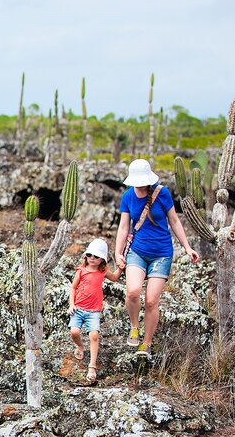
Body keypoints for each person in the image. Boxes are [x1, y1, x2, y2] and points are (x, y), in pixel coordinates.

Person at [113, 158, 200, 360]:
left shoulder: (162, 194)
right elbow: (124, 226)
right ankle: (135, 327)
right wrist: (118, 252)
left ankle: (147, 342)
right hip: (137, 251)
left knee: (151, 301)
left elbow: (175, 221)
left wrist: (187, 247)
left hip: (162, 253)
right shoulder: (128, 196)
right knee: (133, 292)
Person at [68, 238, 122, 381]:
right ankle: (80, 346)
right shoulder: (81, 271)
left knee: (94, 336)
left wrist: (121, 267)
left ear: (102, 260)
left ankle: (92, 366)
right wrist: (71, 304)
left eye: (96, 256)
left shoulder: (102, 271)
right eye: (90, 255)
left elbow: (115, 277)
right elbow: (73, 287)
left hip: (94, 310)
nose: (92, 258)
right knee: (74, 331)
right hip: (78, 308)